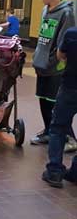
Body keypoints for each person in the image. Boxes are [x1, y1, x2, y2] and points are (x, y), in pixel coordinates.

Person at [31, 0, 77, 152]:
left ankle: (70, 138)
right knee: (43, 100)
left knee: (56, 105)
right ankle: (48, 132)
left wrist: (53, 61)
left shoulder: (66, 13)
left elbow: (64, 42)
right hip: (41, 64)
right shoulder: (45, 9)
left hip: (55, 67)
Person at [42, 27, 77, 188]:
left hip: (71, 86)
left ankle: (54, 171)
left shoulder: (72, 33)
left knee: (58, 128)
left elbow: (60, 55)